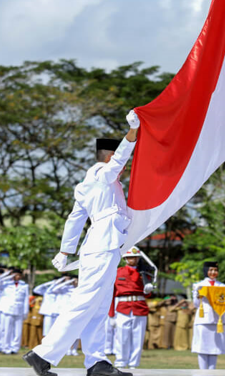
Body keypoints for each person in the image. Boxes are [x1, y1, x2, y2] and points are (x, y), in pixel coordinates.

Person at [24, 111, 139, 376]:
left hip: (102, 244)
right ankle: (43, 354)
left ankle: (96, 361)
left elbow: (75, 218)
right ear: (109, 157)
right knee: (86, 301)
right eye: (120, 162)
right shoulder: (101, 173)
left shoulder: (89, 184)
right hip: (103, 244)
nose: (124, 167)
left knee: (99, 305)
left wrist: (66, 250)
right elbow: (117, 161)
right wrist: (131, 134)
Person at [109, 247, 154, 370]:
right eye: (129, 257)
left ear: (138, 258)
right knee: (121, 337)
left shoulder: (144, 272)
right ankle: (120, 362)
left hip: (139, 307)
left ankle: (134, 364)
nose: (132, 260)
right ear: (125, 259)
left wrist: (149, 289)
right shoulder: (118, 272)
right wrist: (111, 314)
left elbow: (147, 294)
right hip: (123, 307)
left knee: (138, 338)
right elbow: (111, 293)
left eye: (134, 257)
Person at [192, 261, 225, 370]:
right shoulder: (198, 285)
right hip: (203, 319)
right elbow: (196, 304)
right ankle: (203, 372)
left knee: (215, 348)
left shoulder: (223, 286)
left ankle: (212, 372)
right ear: (206, 271)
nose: (213, 272)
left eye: (215, 270)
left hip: (218, 320)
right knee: (202, 347)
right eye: (211, 270)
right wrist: (198, 295)